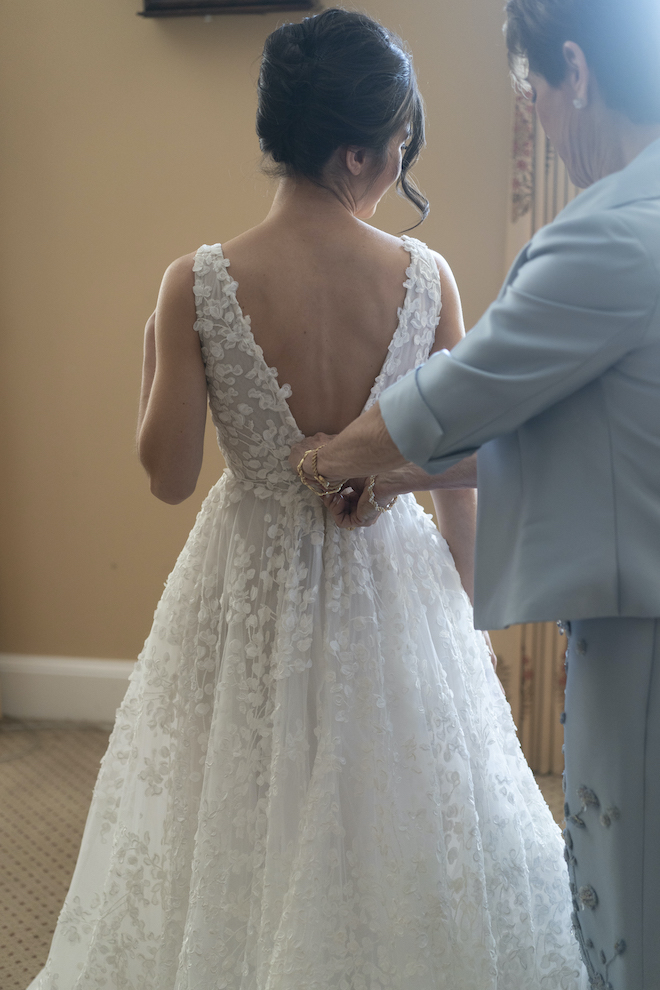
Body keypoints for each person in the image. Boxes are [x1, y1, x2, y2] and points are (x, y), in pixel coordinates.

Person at [28, 9, 585, 990]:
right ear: (362, 150)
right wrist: (466, 609)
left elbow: (164, 477)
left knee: (241, 792)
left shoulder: (195, 281)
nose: (402, 165)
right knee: (397, 797)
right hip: (390, 574)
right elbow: (462, 461)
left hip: (246, 577)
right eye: (401, 146)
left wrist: (156, 354)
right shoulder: (425, 276)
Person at [290, 2, 660, 988]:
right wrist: (399, 475)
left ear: (573, 71)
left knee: (634, 889)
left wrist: (328, 461)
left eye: (530, 92)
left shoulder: (615, 235)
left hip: (648, 629)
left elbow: (454, 399)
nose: (534, 118)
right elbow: (580, 438)